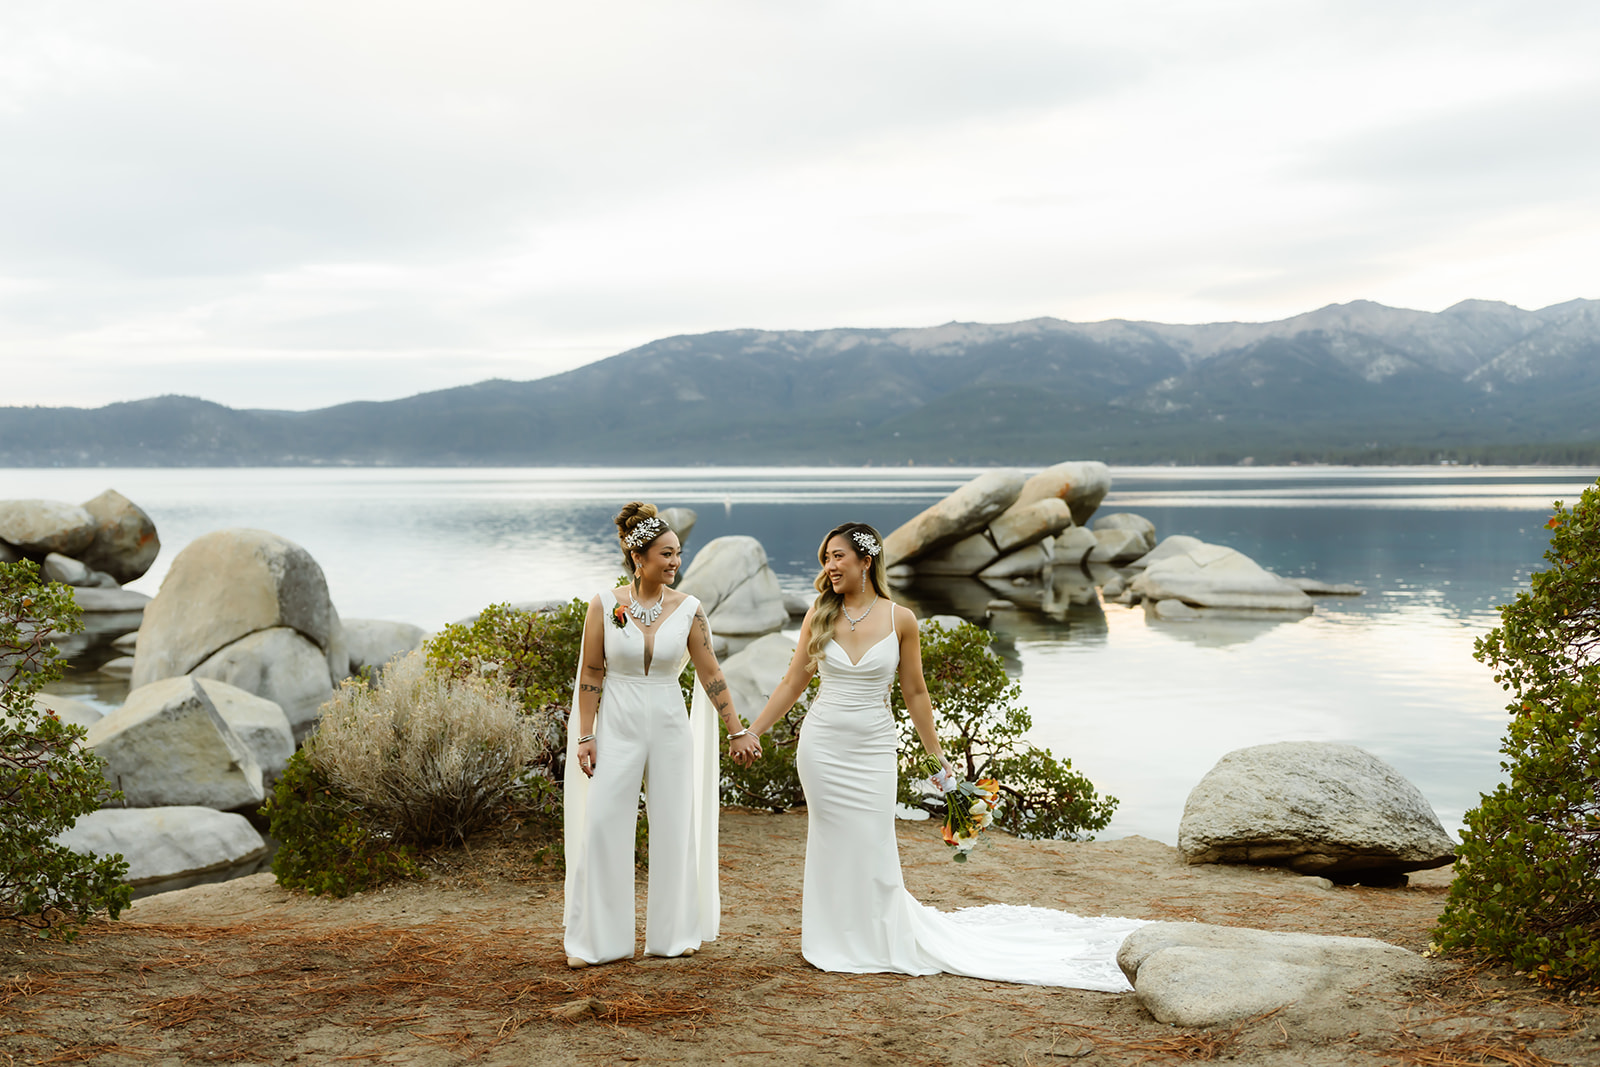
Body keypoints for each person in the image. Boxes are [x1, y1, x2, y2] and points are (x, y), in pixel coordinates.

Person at [745, 521, 1144, 991]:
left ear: (865, 561)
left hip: (873, 748)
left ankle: (877, 935)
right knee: (830, 839)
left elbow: (915, 693)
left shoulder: (901, 620)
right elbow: (794, 681)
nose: (829, 567)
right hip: (822, 746)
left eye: (838, 557)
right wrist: (752, 729)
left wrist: (937, 760)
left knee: (872, 839)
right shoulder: (819, 614)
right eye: (826, 559)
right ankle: (831, 937)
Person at [563, 502, 762, 969]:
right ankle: (600, 942)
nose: (675, 562)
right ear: (639, 558)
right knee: (605, 825)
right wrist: (586, 736)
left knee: (674, 825)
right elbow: (592, 671)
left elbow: (711, 673)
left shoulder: (690, 609)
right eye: (666, 554)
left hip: (670, 720)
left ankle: (673, 935)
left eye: (677, 554)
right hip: (618, 720)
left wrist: (737, 730)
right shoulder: (603, 605)